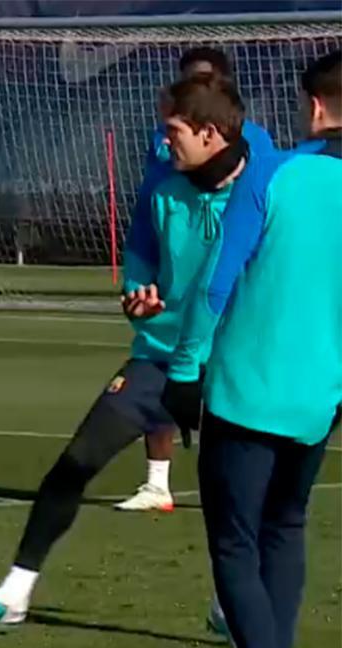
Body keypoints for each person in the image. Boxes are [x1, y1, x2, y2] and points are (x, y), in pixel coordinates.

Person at [0, 73, 250, 625]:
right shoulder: (163, 190)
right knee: (73, 465)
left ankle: (235, 604)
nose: (165, 142)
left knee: (238, 495)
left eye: (174, 130)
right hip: (156, 359)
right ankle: (14, 591)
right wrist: (139, 291)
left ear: (210, 133)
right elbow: (140, 251)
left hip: (230, 367)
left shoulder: (260, 195)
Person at [162, 50, 342, 648]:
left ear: (316, 106)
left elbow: (215, 284)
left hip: (246, 392)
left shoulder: (274, 173)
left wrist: (183, 374)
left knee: (235, 546)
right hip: (320, 400)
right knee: (286, 526)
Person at [114, 46, 275, 512]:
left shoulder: (258, 144)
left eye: (202, 81)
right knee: (163, 370)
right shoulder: (163, 145)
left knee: (227, 390)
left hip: (230, 291)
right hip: (176, 280)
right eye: (186, 81)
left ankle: (241, 485)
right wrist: (138, 281)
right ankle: (156, 483)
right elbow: (147, 215)